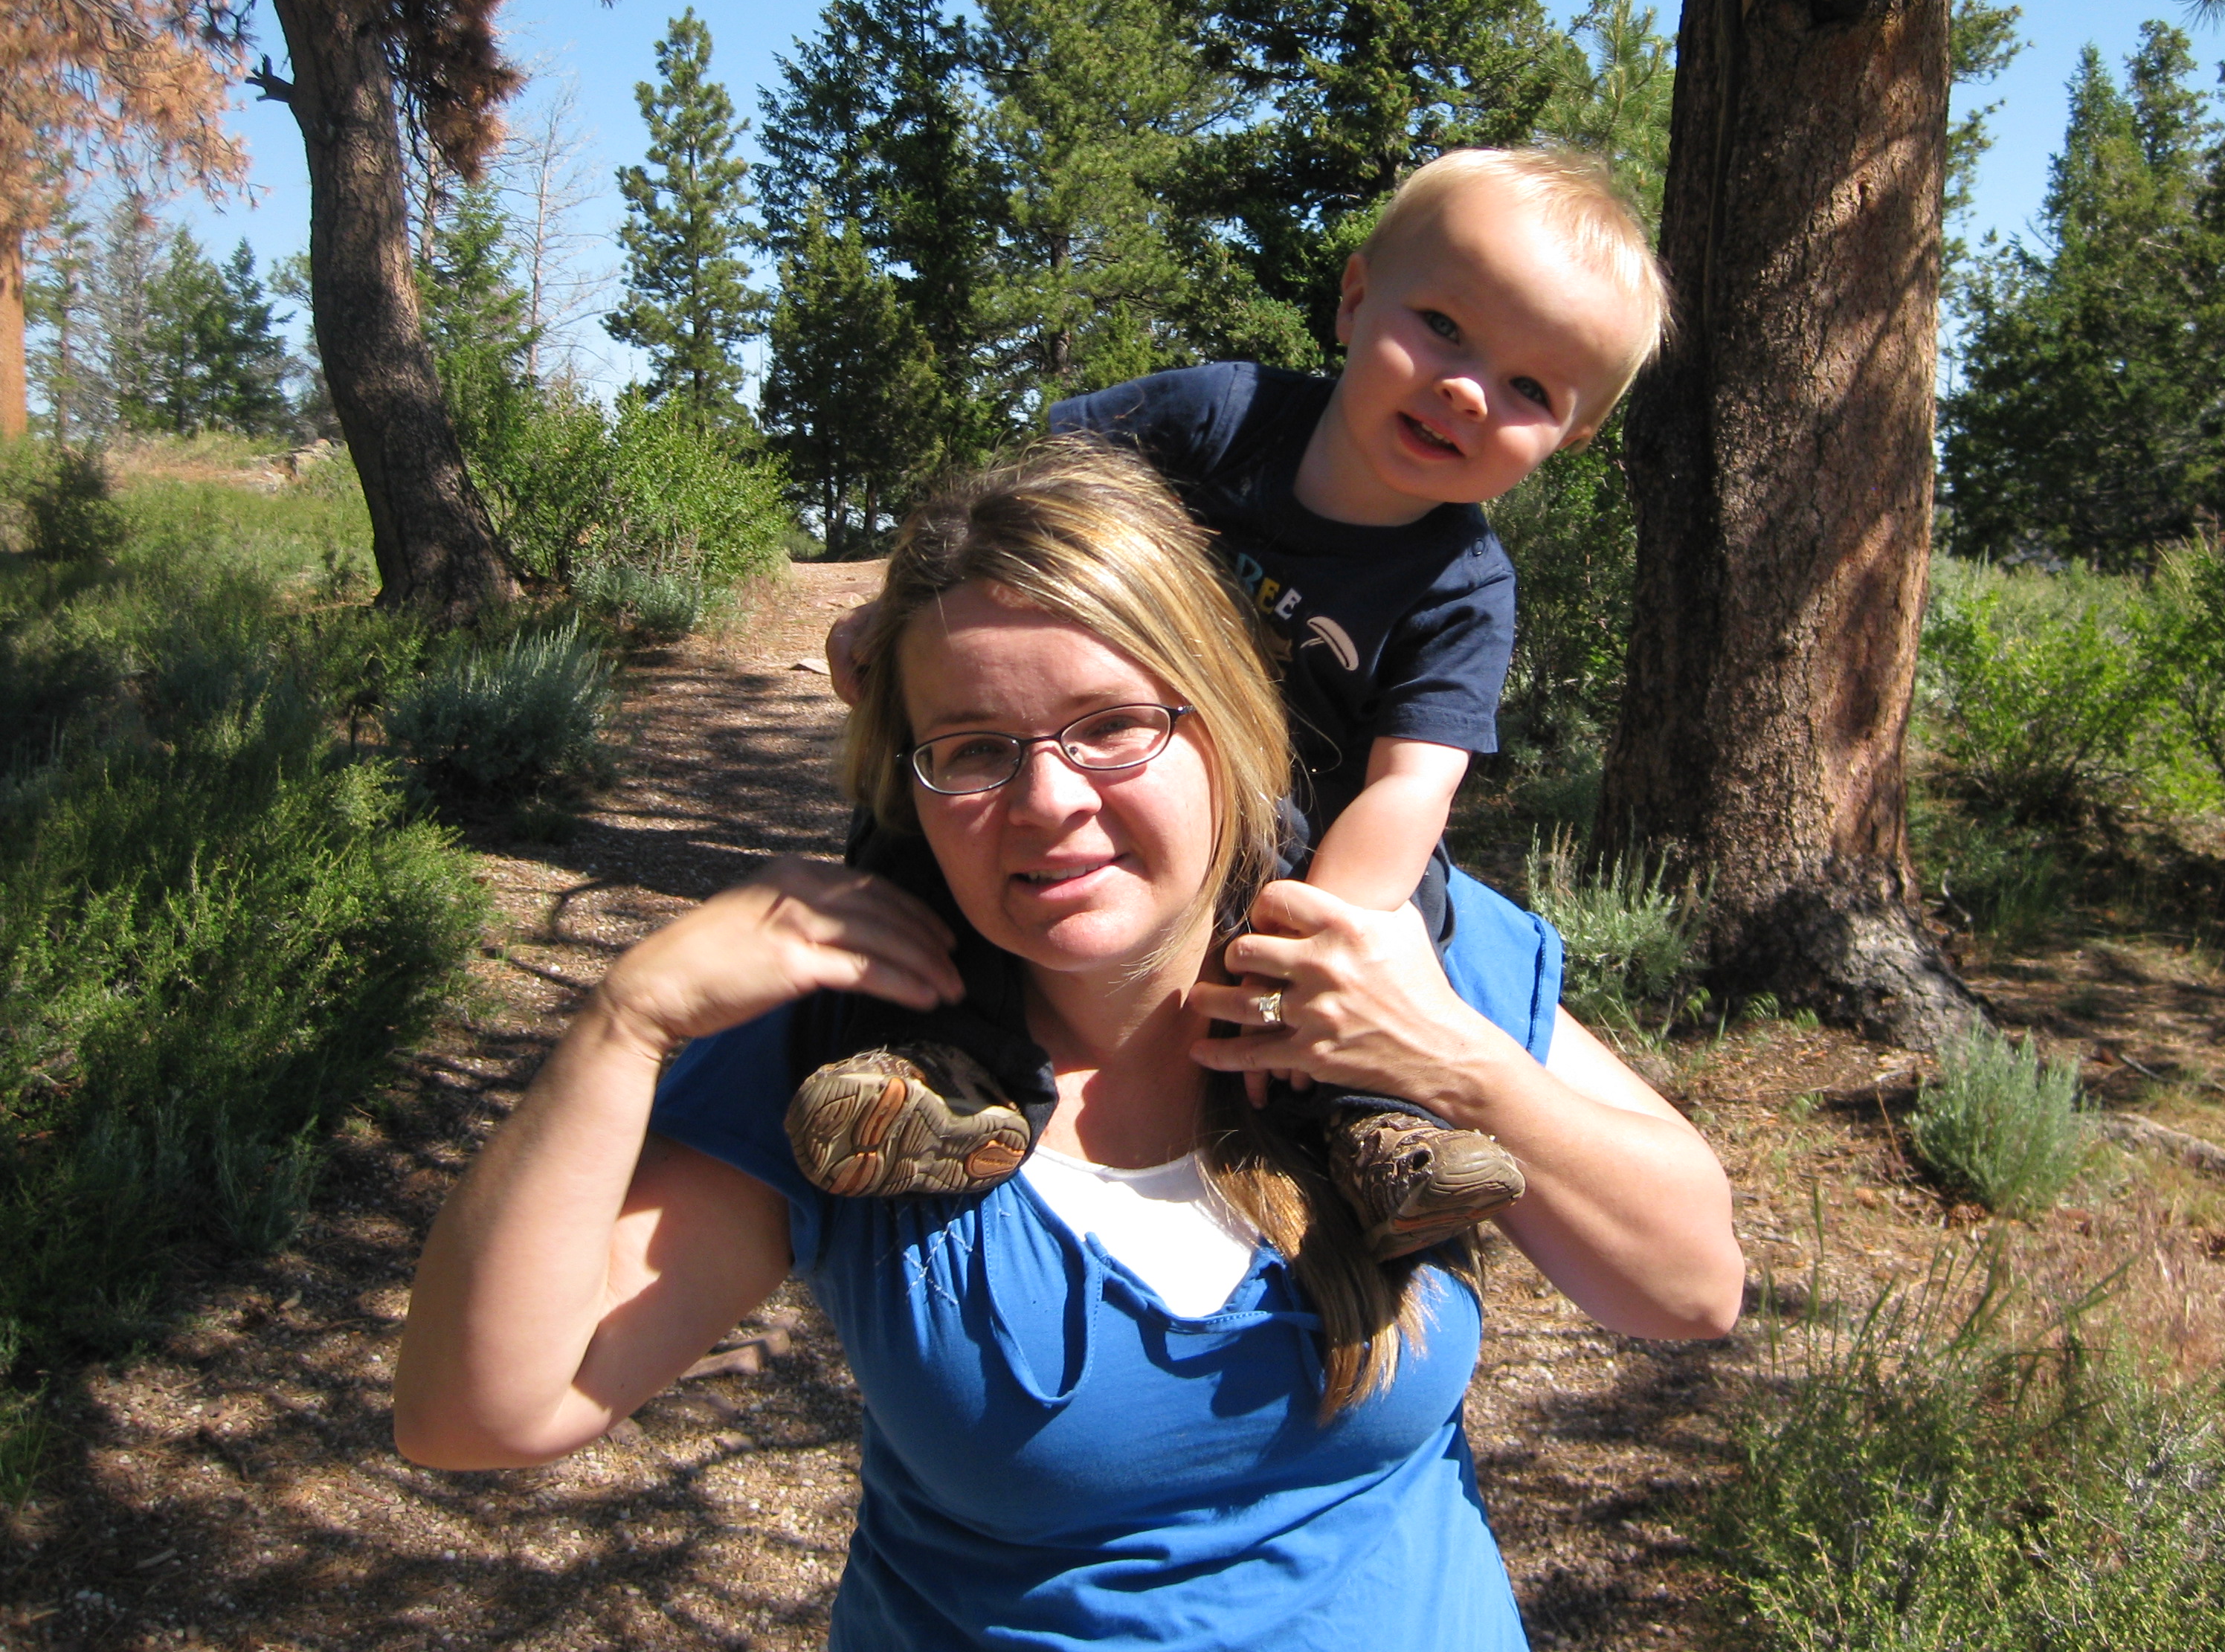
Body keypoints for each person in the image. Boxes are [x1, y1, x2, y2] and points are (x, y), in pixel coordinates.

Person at [392, 445, 1742, 1651]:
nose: (1047, 804)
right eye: (972, 750)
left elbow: (1689, 1290)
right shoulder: (854, 1042)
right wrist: (626, 1025)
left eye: (1113, 727)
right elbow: (482, 1415)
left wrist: (1452, 1057)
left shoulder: (1394, 958)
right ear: (908, 788)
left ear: (1223, 723)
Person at [796, 146, 1671, 1259]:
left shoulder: (1464, 585)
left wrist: (1316, 947)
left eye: (1531, 390)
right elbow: (1022, 507)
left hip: (1303, 826)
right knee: (926, 804)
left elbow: (1412, 786)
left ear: (1571, 438)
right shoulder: (1223, 419)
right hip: (1121, 757)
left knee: (1415, 913)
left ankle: (1377, 1133)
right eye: (1446, 327)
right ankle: (919, 1064)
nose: (1466, 389)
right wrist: (904, 614)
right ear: (1355, 301)